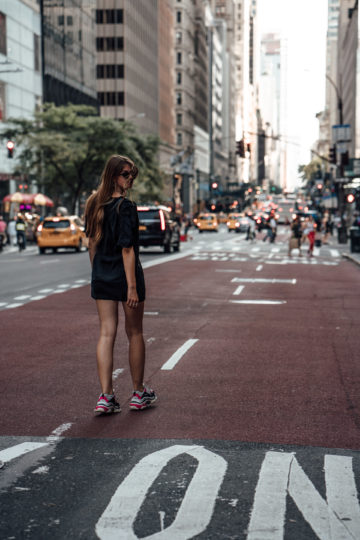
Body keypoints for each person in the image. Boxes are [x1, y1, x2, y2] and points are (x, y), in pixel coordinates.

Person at [84, 155, 157, 415]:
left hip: (102, 276)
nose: (130, 179)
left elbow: (91, 244)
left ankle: (106, 396)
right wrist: (132, 287)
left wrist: (98, 272)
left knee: (106, 333)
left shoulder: (94, 204)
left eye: (132, 175)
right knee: (134, 332)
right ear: (113, 175)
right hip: (125, 278)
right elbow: (127, 250)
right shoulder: (125, 207)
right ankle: (138, 393)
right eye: (126, 174)